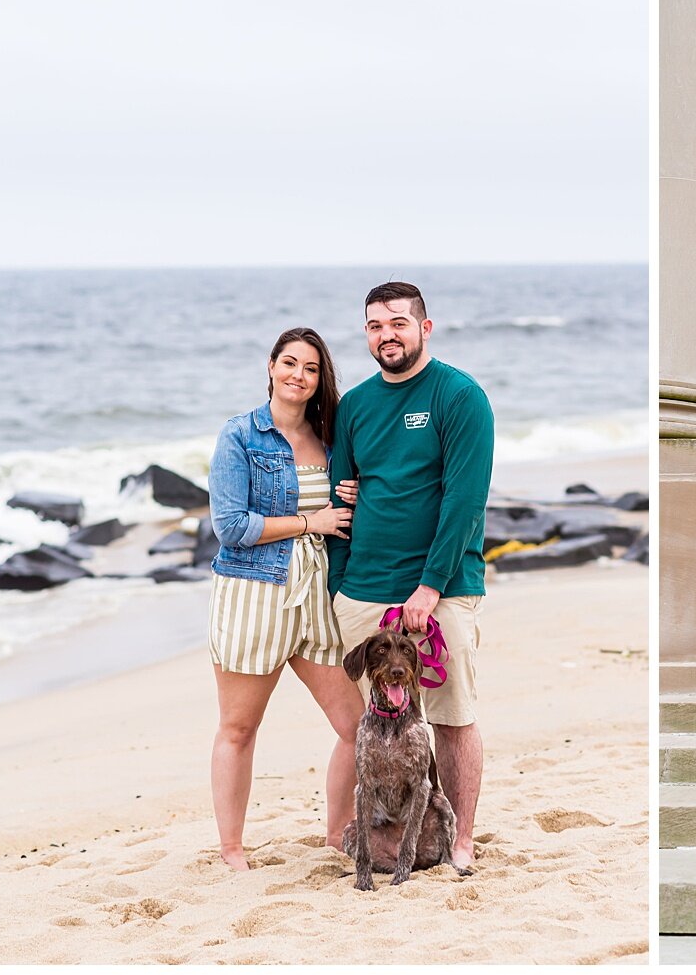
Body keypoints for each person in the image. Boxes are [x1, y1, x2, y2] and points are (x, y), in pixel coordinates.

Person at [326, 281, 494, 872]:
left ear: (425, 326)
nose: (385, 335)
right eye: (374, 326)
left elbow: (465, 500)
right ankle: (360, 840)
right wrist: (337, 586)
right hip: (362, 592)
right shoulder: (355, 407)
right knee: (368, 724)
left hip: (440, 592)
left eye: (397, 322)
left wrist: (430, 585)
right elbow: (340, 499)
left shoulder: (460, 396)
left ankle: (462, 840)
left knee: (448, 717)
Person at [206, 328, 362, 871]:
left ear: (322, 380)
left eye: (311, 368)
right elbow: (229, 526)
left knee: (356, 727)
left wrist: (353, 496)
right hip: (253, 593)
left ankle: (339, 833)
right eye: (290, 363)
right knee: (239, 728)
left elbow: (346, 513)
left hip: (316, 594)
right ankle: (231, 851)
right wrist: (309, 521)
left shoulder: (334, 438)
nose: (299, 375)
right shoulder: (240, 436)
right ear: (270, 367)